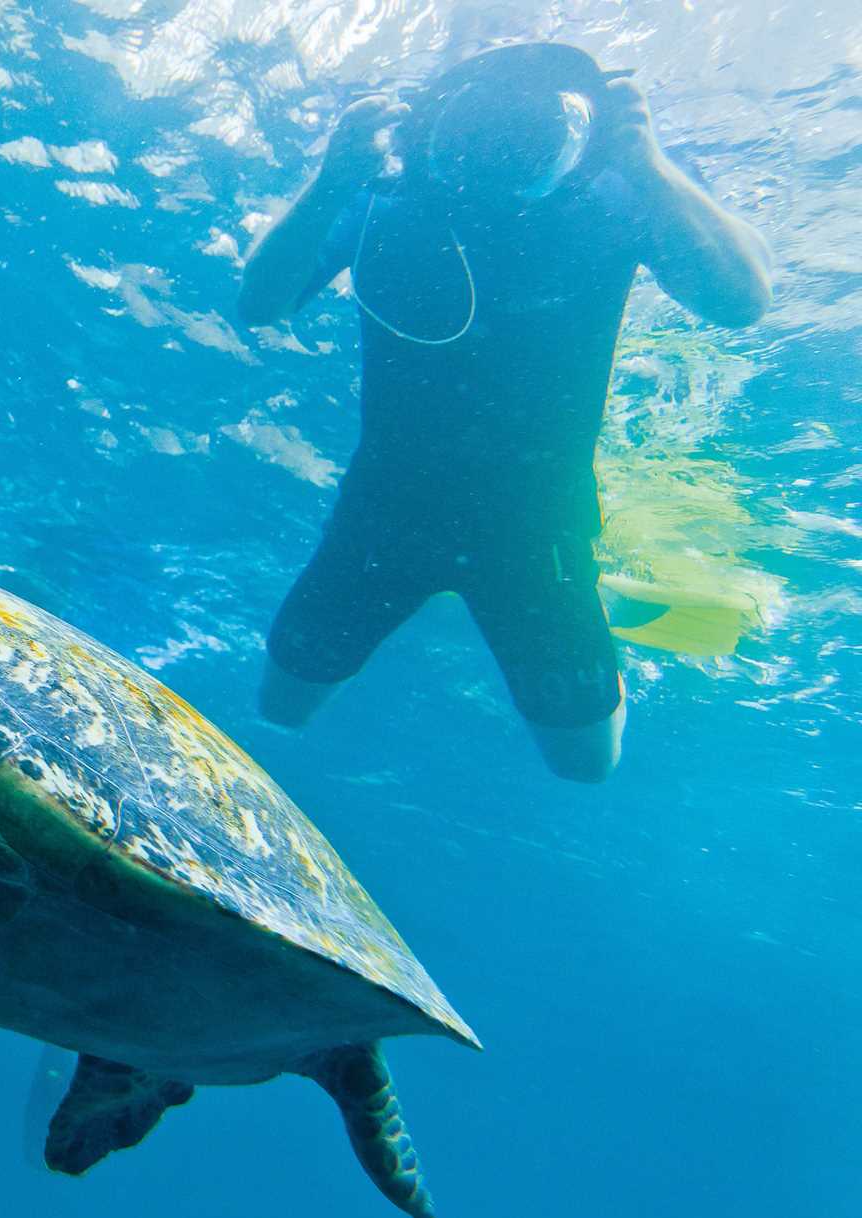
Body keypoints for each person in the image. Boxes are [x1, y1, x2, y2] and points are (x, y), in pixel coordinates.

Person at [236, 42, 772, 782]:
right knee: (280, 711)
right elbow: (258, 305)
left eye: (536, 121)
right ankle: (469, 604)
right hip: (384, 516)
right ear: (435, 124)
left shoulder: (617, 198)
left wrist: (648, 164)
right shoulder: (385, 200)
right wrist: (333, 180)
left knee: (587, 766)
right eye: (482, 119)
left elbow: (742, 302)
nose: (504, 143)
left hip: (539, 534)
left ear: (585, 131)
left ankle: (561, 600)